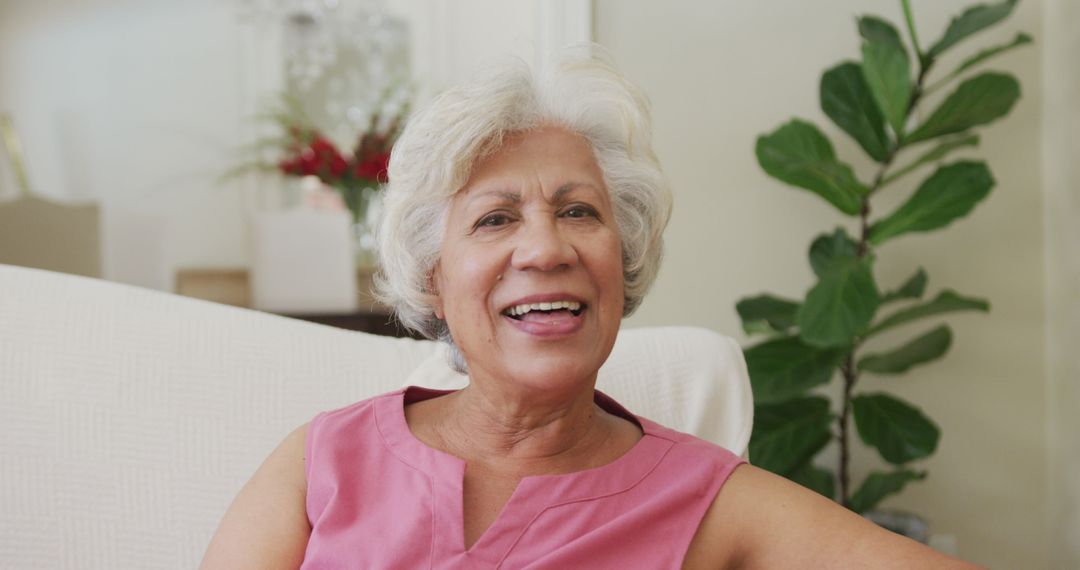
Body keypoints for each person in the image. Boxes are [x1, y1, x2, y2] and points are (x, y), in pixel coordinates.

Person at [201, 48, 979, 569]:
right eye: (496, 219)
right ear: (434, 277)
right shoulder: (323, 462)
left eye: (578, 212)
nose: (547, 250)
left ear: (622, 257)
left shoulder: (704, 498)